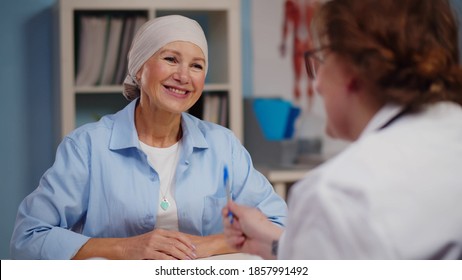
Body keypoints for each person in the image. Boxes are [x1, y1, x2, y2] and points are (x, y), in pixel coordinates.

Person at [10, 15, 287, 260]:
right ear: (140, 69)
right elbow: (28, 238)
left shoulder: (222, 145)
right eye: (170, 59)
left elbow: (279, 224)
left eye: (197, 66)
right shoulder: (86, 146)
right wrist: (126, 248)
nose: (183, 76)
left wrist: (207, 245)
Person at [223, 0, 462, 259]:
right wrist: (279, 245)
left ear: (351, 69)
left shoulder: (336, 195)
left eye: (322, 60)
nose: (318, 84)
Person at [279, 0, 320, 108]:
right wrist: (283, 42)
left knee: (310, 77)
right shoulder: (291, 3)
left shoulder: (313, 3)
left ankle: (309, 110)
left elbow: (319, 23)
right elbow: (286, 22)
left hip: (308, 40)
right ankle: (299, 108)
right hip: (299, 39)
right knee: (297, 77)